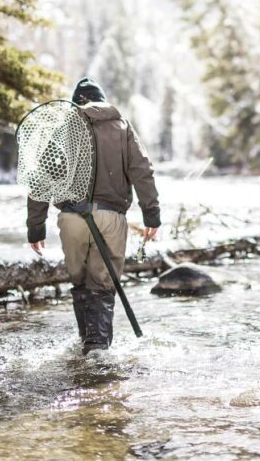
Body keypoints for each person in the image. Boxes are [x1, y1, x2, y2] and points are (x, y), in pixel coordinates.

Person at [26, 77, 161, 354]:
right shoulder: (122, 126)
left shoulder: (63, 129)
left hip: (71, 219)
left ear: (76, 102)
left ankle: (85, 344)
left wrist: (36, 228)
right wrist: (152, 215)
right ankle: (97, 351)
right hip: (111, 218)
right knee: (102, 284)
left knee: (80, 281)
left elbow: (40, 178)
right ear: (102, 99)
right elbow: (142, 171)